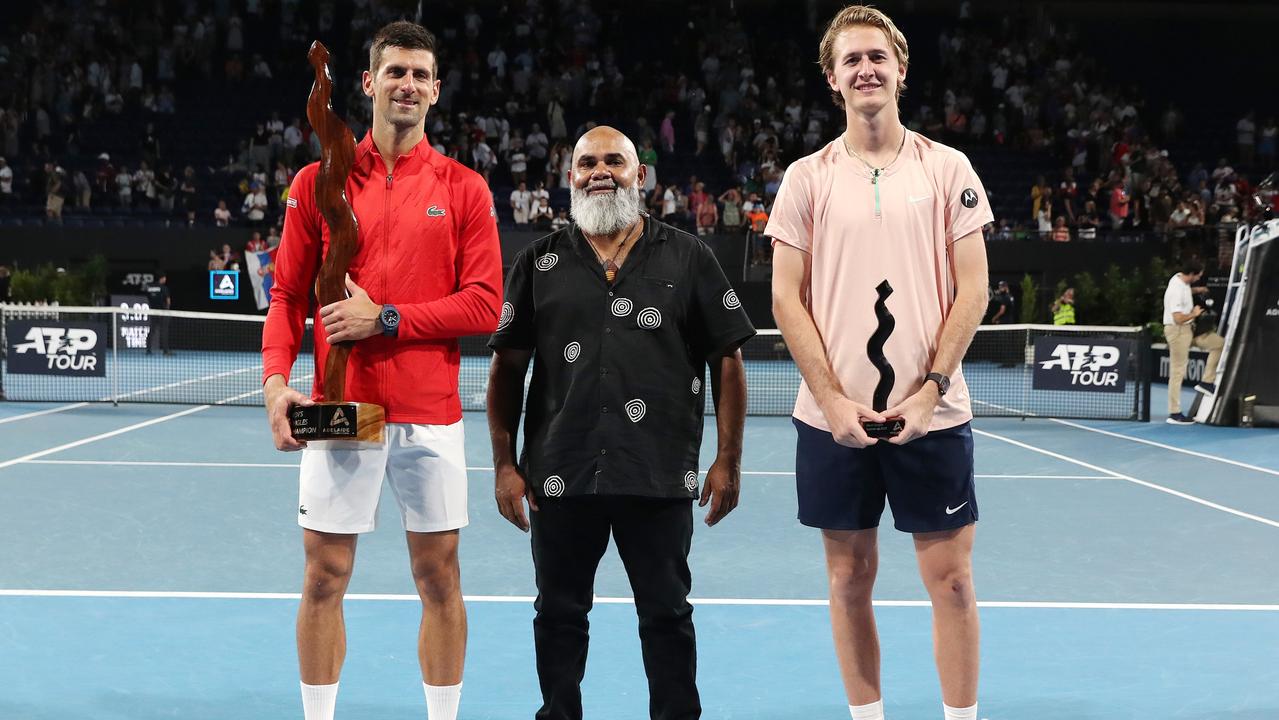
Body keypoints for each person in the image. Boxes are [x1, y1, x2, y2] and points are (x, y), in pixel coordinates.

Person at [260, 21, 503, 720]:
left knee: (438, 578)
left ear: (435, 91)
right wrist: (277, 384)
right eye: (395, 72)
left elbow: (485, 304)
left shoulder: (462, 188)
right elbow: (284, 297)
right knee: (324, 577)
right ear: (367, 83)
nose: (408, 85)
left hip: (429, 413)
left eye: (421, 75)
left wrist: (386, 317)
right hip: (346, 411)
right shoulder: (318, 183)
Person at [767, 7, 992, 720]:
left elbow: (974, 288)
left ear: (898, 67)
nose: (865, 68)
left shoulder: (947, 168)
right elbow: (783, 298)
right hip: (833, 420)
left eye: (876, 56)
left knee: (951, 581)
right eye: (850, 59)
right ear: (832, 80)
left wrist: (929, 391)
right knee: (847, 579)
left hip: (934, 415)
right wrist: (832, 400)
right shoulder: (806, 179)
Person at [487, 126, 756, 720]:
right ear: (569, 175)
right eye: (587, 162)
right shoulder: (539, 262)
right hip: (560, 473)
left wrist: (728, 459)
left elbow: (727, 359)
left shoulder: (689, 256)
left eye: (615, 161)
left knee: (666, 614)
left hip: (656, 474)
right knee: (558, 613)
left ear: (641, 176)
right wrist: (504, 465)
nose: (600, 171)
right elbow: (507, 368)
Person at [1163, 261, 1224, 424]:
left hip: (1190, 329)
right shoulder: (1176, 289)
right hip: (1177, 331)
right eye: (1198, 276)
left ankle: (1207, 381)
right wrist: (1194, 314)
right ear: (1191, 274)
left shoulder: (1180, 280)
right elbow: (1177, 318)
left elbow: (1185, 291)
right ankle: (1174, 413)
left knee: (1219, 344)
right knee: (1177, 372)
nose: (1199, 278)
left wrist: (1197, 290)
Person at [145, 273, 172, 355]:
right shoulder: (164, 288)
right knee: (164, 331)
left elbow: (148, 298)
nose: (165, 279)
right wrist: (167, 309)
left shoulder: (149, 287)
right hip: (163, 312)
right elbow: (168, 300)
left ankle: (148, 350)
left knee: (152, 331)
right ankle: (165, 351)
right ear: (162, 278)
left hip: (153, 312)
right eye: (164, 278)